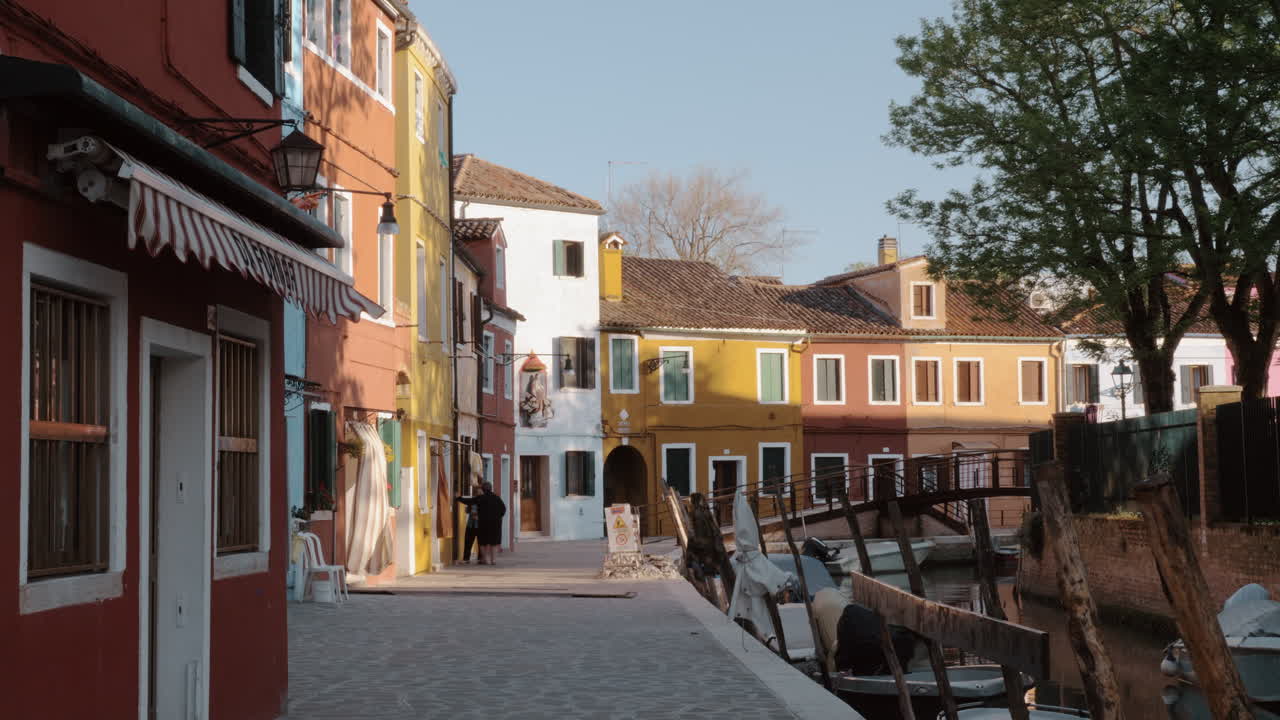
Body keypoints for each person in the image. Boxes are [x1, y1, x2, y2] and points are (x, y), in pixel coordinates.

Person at [455, 481, 507, 565]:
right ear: (491, 488)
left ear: (483, 489)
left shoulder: (481, 498)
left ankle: (485, 559)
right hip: (495, 524)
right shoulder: (497, 498)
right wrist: (497, 517)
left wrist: (458, 498)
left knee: (483, 542)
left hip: (483, 523)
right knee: (494, 542)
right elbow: (503, 509)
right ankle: (493, 560)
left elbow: (470, 501)